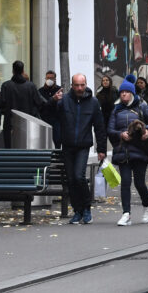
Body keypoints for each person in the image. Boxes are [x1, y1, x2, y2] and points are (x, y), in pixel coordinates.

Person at [52, 73, 106, 224]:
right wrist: (53, 101)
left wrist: (101, 149)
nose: (80, 88)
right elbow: (49, 114)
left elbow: (99, 127)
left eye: (82, 85)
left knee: (78, 176)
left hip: (83, 145)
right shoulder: (64, 100)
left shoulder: (93, 102)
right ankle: (77, 211)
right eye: (76, 85)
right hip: (67, 145)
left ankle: (86, 208)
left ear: (86, 84)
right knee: (71, 180)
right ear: (72, 85)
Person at [107, 81, 148, 226]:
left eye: (126, 92)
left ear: (132, 94)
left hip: (140, 150)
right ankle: (126, 214)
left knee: (139, 183)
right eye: (121, 92)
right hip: (123, 150)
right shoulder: (116, 110)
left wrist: (147, 130)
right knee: (125, 182)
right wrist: (120, 134)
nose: (123, 94)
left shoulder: (142, 106)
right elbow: (110, 129)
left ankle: (147, 206)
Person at [0, 60, 46, 148]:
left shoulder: (6, 85)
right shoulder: (31, 86)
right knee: (27, 148)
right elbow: (40, 103)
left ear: (13, 71)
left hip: (10, 123)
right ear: (23, 71)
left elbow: (1, 104)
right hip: (27, 124)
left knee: (10, 148)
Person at [39, 70, 62, 148]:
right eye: (48, 78)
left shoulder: (59, 90)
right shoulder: (40, 91)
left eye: (51, 78)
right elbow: (41, 105)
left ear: (55, 79)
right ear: (45, 79)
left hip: (56, 119)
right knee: (43, 141)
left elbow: (60, 105)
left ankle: (57, 154)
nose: (49, 80)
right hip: (44, 119)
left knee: (57, 140)